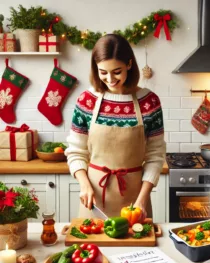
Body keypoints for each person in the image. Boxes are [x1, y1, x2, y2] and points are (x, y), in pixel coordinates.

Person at [65, 34, 166, 222]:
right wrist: (84, 184)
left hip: (135, 202)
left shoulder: (149, 102)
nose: (110, 79)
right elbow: (76, 151)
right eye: (103, 72)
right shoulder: (87, 101)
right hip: (93, 199)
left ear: (129, 64)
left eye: (117, 71)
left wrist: (142, 200)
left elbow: (155, 156)